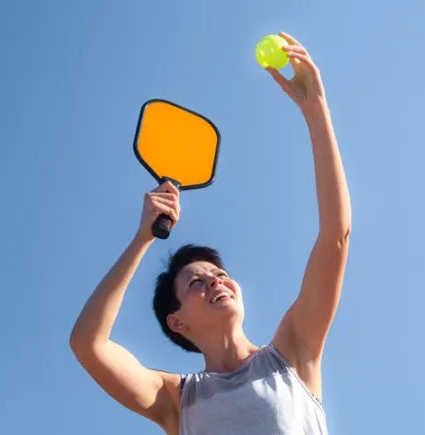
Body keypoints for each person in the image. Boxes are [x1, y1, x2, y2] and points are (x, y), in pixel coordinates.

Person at [69, 31, 351, 434]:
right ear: (177, 321)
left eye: (219, 274)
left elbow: (336, 235)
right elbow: (88, 344)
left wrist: (315, 109)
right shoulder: (176, 400)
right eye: (196, 283)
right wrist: (141, 240)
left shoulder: (293, 353)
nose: (216, 281)